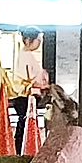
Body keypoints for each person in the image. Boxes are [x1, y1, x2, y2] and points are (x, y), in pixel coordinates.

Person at [11, 26, 49, 154]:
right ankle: (21, 149)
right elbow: (28, 78)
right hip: (25, 96)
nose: (39, 43)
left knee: (24, 123)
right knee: (24, 123)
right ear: (28, 40)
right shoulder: (25, 56)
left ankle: (22, 149)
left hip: (27, 96)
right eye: (37, 40)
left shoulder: (25, 56)